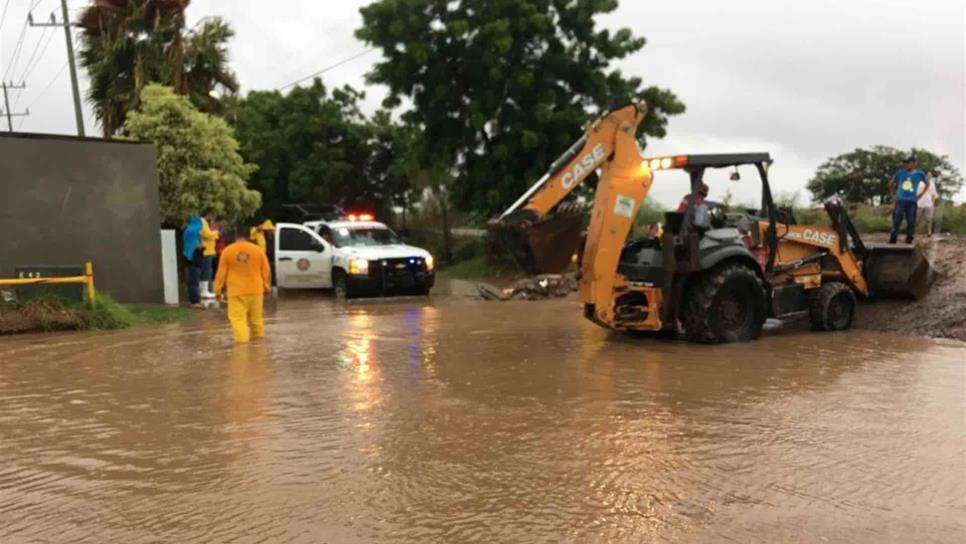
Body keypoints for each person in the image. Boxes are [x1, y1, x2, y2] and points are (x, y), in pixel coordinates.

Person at [213, 227, 272, 343]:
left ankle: (242, 349)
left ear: (236, 236)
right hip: (256, 290)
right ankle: (258, 349)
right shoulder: (258, 250)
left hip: (236, 292)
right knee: (256, 321)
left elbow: (221, 273)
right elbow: (266, 271)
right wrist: (266, 287)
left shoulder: (227, 251)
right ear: (249, 237)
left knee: (238, 320)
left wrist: (217, 291)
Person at [889, 155, 929, 244]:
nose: (906, 165)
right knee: (897, 220)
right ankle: (893, 240)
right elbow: (891, 183)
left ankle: (909, 240)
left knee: (911, 221)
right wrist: (893, 196)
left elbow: (927, 184)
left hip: (912, 201)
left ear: (914, 164)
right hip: (900, 201)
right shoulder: (900, 173)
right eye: (905, 163)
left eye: (908, 163)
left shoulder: (919, 174)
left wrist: (921, 194)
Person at [182, 215, 204, 309]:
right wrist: (203, 246)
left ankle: (195, 300)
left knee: (193, 280)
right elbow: (196, 246)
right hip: (193, 259)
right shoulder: (192, 232)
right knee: (194, 280)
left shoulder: (190, 231)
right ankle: (194, 301)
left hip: (191, 258)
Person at [250, 220, 277, 294]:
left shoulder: (273, 234)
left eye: (270, 230)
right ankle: (260, 288)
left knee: (271, 271)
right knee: (260, 272)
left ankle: (271, 287)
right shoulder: (258, 233)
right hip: (260, 256)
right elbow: (252, 235)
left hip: (271, 256)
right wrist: (258, 229)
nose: (269, 231)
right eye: (268, 229)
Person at [199, 213, 220, 299]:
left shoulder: (204, 222)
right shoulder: (202, 222)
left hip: (209, 250)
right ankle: (204, 291)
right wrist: (216, 232)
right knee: (206, 270)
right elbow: (207, 234)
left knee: (207, 270)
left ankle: (204, 290)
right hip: (206, 250)